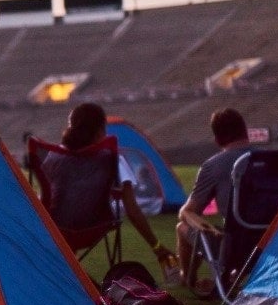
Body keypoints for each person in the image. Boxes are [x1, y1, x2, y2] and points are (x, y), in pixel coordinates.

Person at [40, 103, 177, 277]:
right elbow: (132, 210)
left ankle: (64, 274)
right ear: (99, 132)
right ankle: (72, 277)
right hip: (93, 227)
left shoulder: (54, 156)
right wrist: (157, 247)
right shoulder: (111, 159)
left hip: (55, 228)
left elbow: (45, 196)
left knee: (64, 242)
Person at [175, 108, 252, 286]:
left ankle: (187, 278)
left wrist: (207, 227)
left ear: (217, 140)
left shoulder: (213, 165)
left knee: (183, 226)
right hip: (277, 245)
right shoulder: (271, 160)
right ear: (245, 132)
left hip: (236, 249)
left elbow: (188, 212)